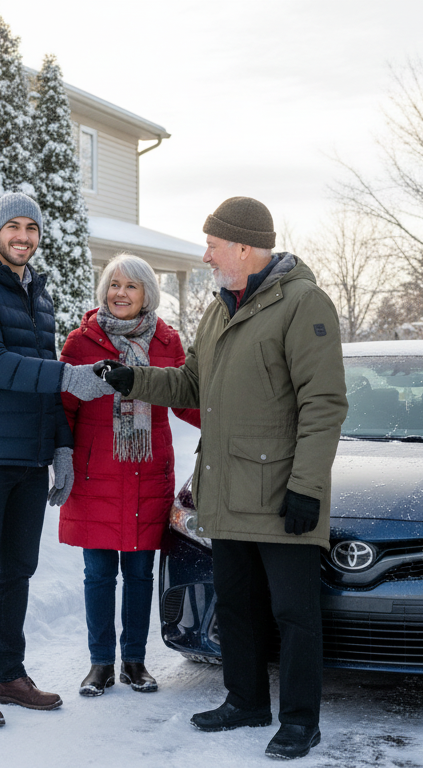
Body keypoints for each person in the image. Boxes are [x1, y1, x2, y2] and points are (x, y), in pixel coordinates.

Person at [100, 197, 347, 760]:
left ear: (243, 246)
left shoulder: (303, 303)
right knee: (235, 603)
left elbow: (324, 403)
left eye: (213, 245)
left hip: (282, 492)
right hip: (226, 487)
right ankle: (246, 701)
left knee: (294, 612)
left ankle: (301, 721)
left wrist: (307, 487)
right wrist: (131, 379)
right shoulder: (218, 310)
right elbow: (191, 385)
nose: (206, 254)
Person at [0, 192, 117, 728]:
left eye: (31, 228)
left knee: (19, 568)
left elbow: (42, 380)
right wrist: (67, 376)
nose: (23, 236)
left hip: (28, 453)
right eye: (13, 226)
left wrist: (59, 444)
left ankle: (8, 675)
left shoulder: (39, 296)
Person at [57, 253, 201, 697]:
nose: (120, 293)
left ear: (147, 294)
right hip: (95, 474)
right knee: (98, 574)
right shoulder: (80, 343)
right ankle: (100, 663)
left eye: (131, 286)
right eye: (114, 284)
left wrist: (231, 424)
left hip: (147, 474)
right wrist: (59, 454)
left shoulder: (167, 342)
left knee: (140, 575)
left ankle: (134, 663)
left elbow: (185, 399)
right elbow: (63, 406)